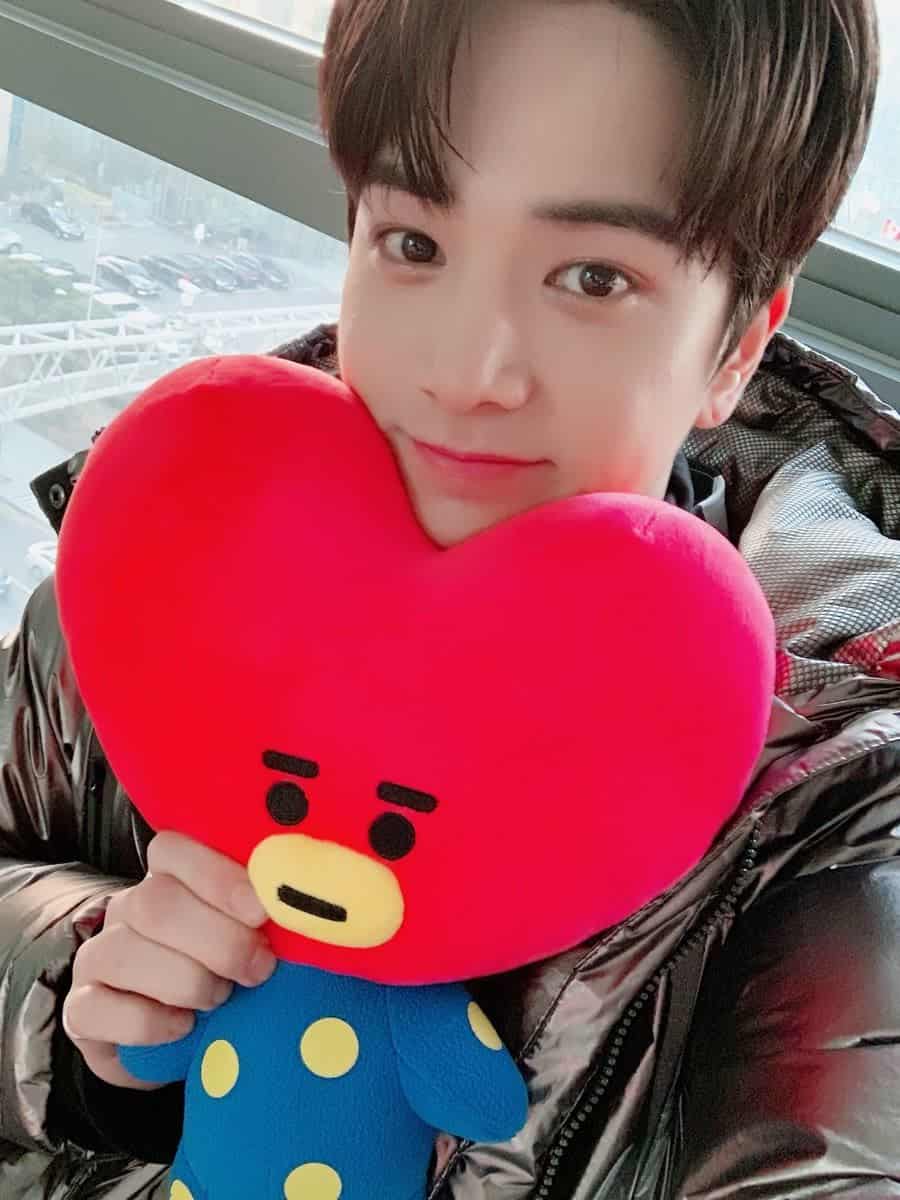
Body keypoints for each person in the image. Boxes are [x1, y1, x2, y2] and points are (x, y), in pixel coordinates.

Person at [2, 1, 897, 1197]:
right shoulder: (170, 559)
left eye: (594, 277)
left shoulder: (840, 827)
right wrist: (83, 1009)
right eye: (414, 242)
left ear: (737, 346)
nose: (469, 373)